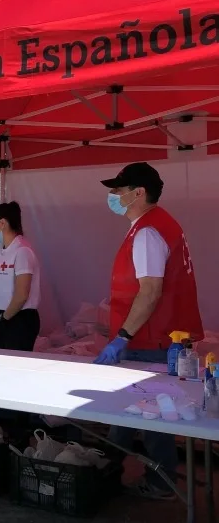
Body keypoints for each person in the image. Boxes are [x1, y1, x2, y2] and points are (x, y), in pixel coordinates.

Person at [95, 162, 203, 500]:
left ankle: (161, 484)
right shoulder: (159, 225)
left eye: (118, 190)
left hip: (150, 338)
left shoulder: (147, 232)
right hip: (159, 336)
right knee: (132, 414)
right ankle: (106, 470)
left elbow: (151, 291)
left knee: (153, 416)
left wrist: (122, 337)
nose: (113, 196)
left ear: (138, 193)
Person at [0, 202, 41, 352]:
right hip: (3, 315)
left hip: (20, 318)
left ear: (2, 223)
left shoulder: (22, 251)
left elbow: (22, 294)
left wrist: (5, 318)